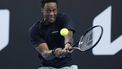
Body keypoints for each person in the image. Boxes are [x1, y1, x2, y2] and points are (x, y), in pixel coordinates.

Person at [29, 0, 78, 69]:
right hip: (46, 67)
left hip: (67, 66)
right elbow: (45, 54)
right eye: (48, 11)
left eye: (54, 10)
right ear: (42, 10)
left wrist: (68, 44)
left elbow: (68, 33)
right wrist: (54, 52)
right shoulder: (35, 29)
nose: (51, 14)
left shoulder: (64, 18)